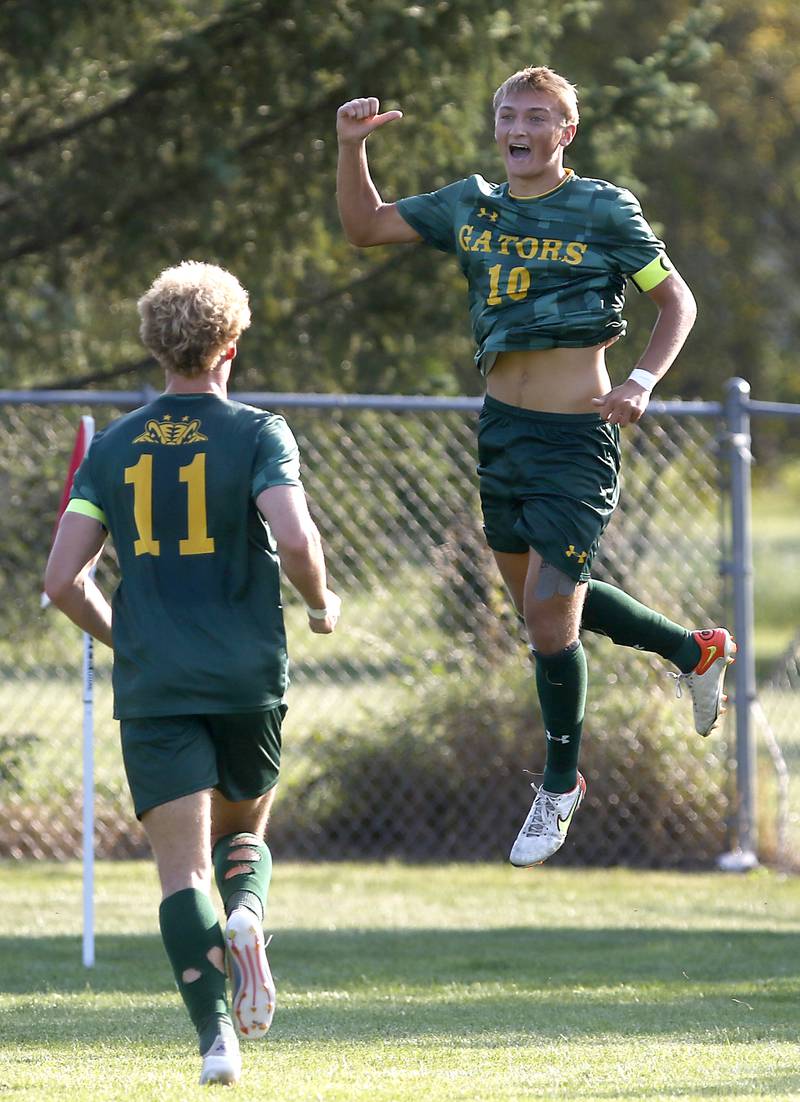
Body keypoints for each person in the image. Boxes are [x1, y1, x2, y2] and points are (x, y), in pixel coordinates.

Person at [335, 66, 735, 869]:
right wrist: (350, 148)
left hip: (575, 440)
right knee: (547, 608)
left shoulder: (603, 208)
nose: (520, 127)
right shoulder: (470, 203)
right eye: (509, 114)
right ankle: (694, 651)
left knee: (551, 611)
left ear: (565, 134)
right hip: (503, 434)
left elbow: (676, 301)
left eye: (538, 116)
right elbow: (367, 228)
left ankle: (559, 786)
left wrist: (642, 381)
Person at [44, 261, 341, 1087]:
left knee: (182, 873)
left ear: (154, 347)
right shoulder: (257, 432)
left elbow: (61, 581)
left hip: (157, 686)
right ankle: (248, 916)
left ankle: (217, 1042)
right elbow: (293, 539)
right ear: (230, 346)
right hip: (248, 675)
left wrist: (123, 640)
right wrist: (319, 605)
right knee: (243, 837)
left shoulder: (112, 447)